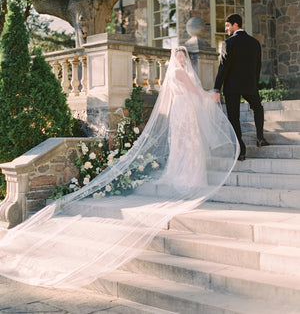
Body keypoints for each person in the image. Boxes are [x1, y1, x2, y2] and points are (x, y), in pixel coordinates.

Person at [0, 46, 238, 289]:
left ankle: (186, 170)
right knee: (187, 143)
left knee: (185, 144)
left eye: (183, 55)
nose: (181, 58)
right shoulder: (179, 74)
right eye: (179, 55)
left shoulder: (173, 74)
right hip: (184, 110)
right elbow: (193, 91)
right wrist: (208, 95)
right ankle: (188, 174)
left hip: (181, 110)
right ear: (175, 57)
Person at [213, 13, 269, 161]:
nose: (226, 29)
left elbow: (223, 67)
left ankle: (241, 150)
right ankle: (260, 137)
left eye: (227, 25)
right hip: (249, 85)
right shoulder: (254, 43)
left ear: (235, 25)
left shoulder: (228, 43)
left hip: (232, 87)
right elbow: (258, 66)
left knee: (234, 118)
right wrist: (254, 83)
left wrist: (217, 88)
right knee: (258, 108)